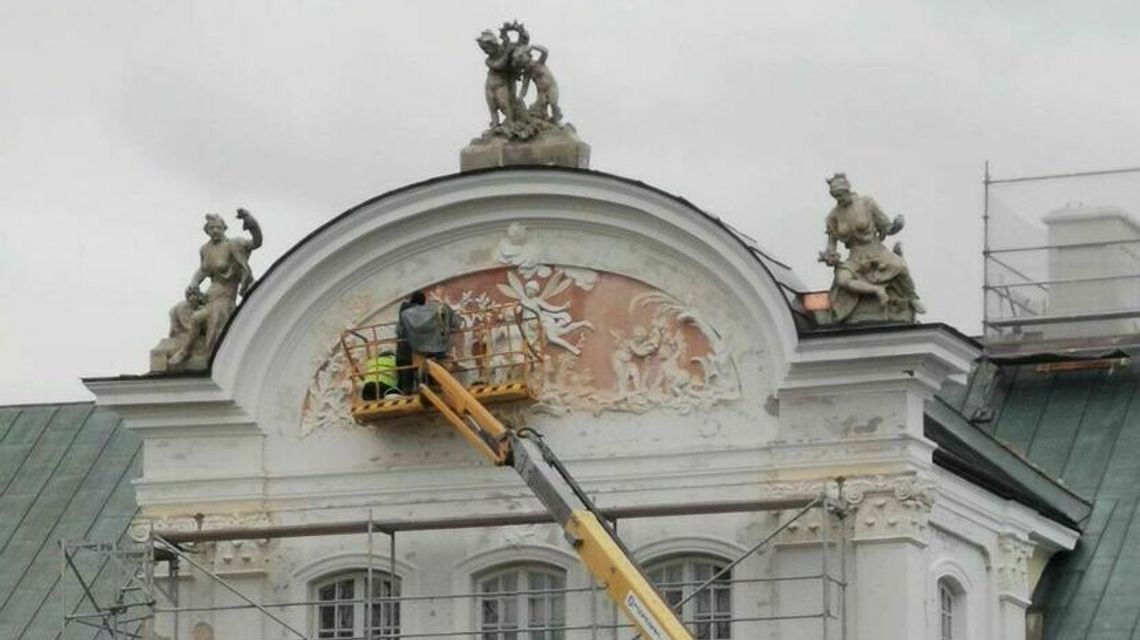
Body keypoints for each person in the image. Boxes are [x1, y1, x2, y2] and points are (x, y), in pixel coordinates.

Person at [818, 174, 924, 323]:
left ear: (847, 190)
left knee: (900, 266)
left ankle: (912, 298)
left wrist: (897, 226)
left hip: (876, 251)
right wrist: (830, 256)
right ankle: (876, 290)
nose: (839, 199)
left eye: (841, 195)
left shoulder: (866, 203)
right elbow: (832, 246)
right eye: (836, 196)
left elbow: (886, 227)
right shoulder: (833, 216)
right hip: (855, 258)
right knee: (842, 280)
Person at [170, 209, 262, 365]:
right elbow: (203, 271)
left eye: (218, 227)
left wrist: (252, 225)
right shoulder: (205, 249)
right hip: (208, 297)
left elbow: (256, 242)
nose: (215, 231)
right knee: (177, 310)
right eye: (212, 228)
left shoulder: (234, 244)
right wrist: (193, 283)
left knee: (197, 318)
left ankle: (186, 351)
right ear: (207, 230)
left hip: (225, 299)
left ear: (224, 228)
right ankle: (185, 348)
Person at [397, 291, 462, 388]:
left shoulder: (405, 314)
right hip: (439, 348)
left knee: (420, 374)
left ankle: (422, 387)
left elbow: (400, 332)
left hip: (417, 351)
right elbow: (456, 323)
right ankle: (444, 386)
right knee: (442, 373)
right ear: (424, 301)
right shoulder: (436, 309)